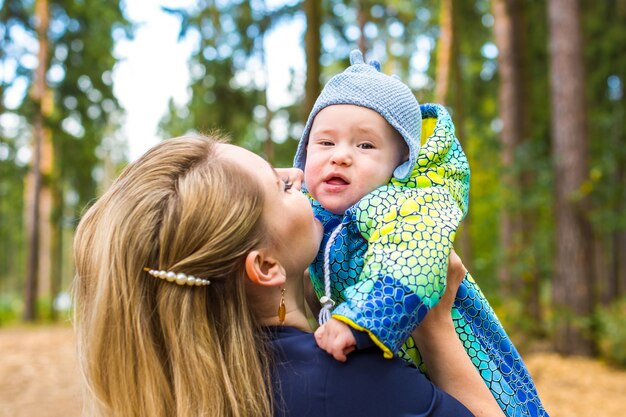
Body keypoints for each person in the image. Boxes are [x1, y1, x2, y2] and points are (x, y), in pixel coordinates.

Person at [72, 134, 502, 417]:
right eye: (281, 188)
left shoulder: (181, 386)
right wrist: (436, 322)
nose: (297, 174)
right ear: (265, 266)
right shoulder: (346, 380)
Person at [293, 49, 549, 417]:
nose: (341, 156)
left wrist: (361, 320)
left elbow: (410, 256)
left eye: (365, 145)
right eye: (325, 142)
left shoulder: (403, 206)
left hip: (462, 356)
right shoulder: (324, 213)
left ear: (401, 166)